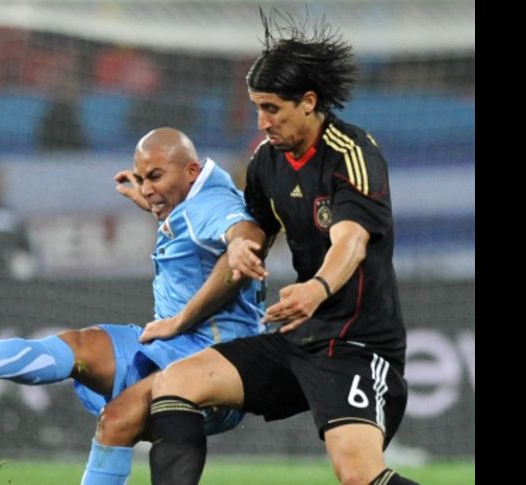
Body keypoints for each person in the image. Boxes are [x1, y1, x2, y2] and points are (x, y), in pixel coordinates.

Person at [145, 12, 418, 485]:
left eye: (271, 108)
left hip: (355, 344)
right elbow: (252, 234)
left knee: (357, 476)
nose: (262, 120)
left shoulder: (352, 153)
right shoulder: (267, 161)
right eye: (256, 107)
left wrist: (315, 288)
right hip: (296, 340)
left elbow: (350, 242)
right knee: (175, 385)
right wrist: (227, 265)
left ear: (308, 102)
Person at [0, 127, 265, 484]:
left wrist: (237, 249)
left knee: (117, 420)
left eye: (155, 176)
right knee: (80, 345)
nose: (145, 188)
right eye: (143, 178)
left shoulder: (213, 204)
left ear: (190, 172)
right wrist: (158, 203)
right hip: (175, 349)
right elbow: (197, 224)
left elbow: (246, 232)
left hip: (216, 363)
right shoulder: (193, 199)